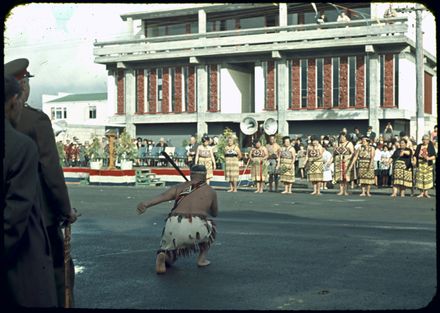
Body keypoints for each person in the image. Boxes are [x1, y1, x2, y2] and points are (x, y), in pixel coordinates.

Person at [5, 58, 77, 307]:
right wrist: (66, 210)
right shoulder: (36, 120)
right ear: (22, 86)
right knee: (56, 276)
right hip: (39, 218)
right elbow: (51, 172)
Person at [3, 74, 58, 307]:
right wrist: (65, 210)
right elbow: (52, 171)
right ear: (15, 100)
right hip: (20, 260)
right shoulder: (22, 143)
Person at [136, 165, 218, 274]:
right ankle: (201, 259)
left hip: (173, 224)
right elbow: (214, 213)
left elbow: (163, 196)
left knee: (172, 251)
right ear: (206, 176)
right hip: (195, 227)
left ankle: (163, 256)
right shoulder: (211, 191)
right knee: (210, 226)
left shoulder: (179, 187)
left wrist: (145, 204)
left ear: (191, 174)